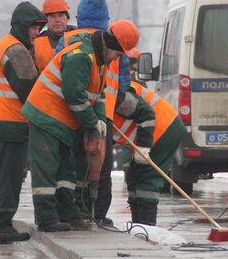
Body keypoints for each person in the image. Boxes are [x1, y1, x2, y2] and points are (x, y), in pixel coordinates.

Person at [22, 19, 140, 232]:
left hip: (62, 120)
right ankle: (46, 218)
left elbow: (99, 95)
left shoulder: (99, 60)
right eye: (119, 54)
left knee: (66, 168)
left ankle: (68, 212)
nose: (118, 59)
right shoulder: (81, 57)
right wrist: (92, 122)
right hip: (45, 115)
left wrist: (101, 120)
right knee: (46, 168)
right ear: (110, 45)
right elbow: (75, 96)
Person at [0, 1, 47, 245]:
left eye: (39, 28)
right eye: (33, 27)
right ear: (21, 26)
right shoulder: (17, 51)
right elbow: (28, 90)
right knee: (9, 177)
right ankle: (1, 228)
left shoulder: (2, 45)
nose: (36, 32)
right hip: (10, 122)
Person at [111, 82, 186, 226]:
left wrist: (144, 147)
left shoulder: (117, 94)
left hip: (163, 130)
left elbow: (147, 114)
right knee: (133, 177)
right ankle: (138, 227)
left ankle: (147, 227)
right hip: (143, 136)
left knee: (147, 178)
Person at [34, 0, 75, 70]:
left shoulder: (79, 37)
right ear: (46, 20)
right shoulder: (36, 43)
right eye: (52, 16)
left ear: (67, 18)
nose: (57, 20)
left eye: (61, 15)